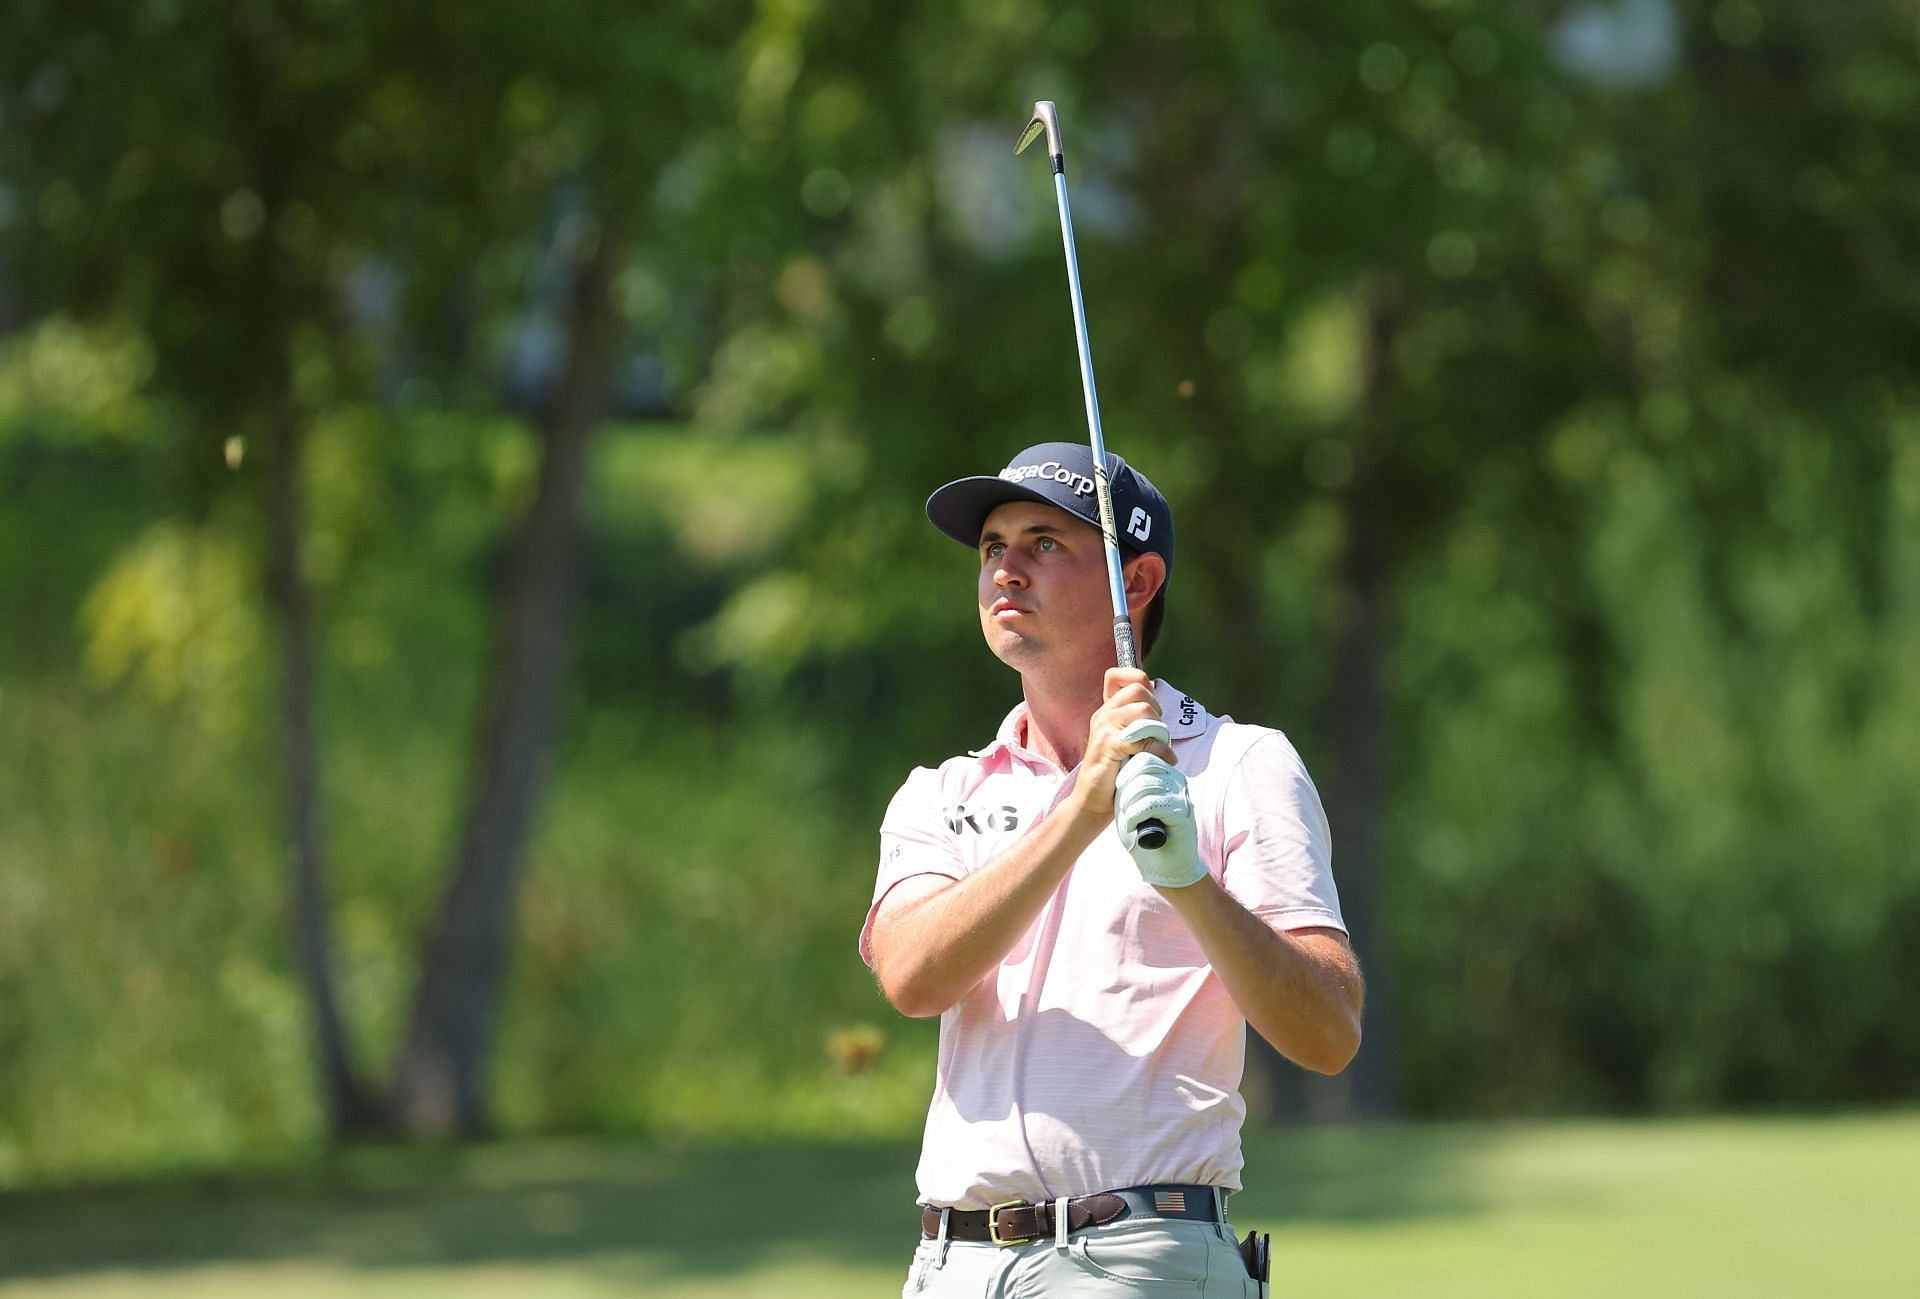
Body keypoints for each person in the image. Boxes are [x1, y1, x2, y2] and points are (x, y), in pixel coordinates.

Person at [859, 441, 1365, 1297]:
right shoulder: (937, 791)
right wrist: (1081, 808)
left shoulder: (1240, 764)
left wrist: (1188, 881)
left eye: (1044, 544)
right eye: (992, 548)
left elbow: (1329, 1032)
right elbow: (913, 976)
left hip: (1136, 1258)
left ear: (1137, 584)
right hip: (950, 1262)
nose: (1005, 571)